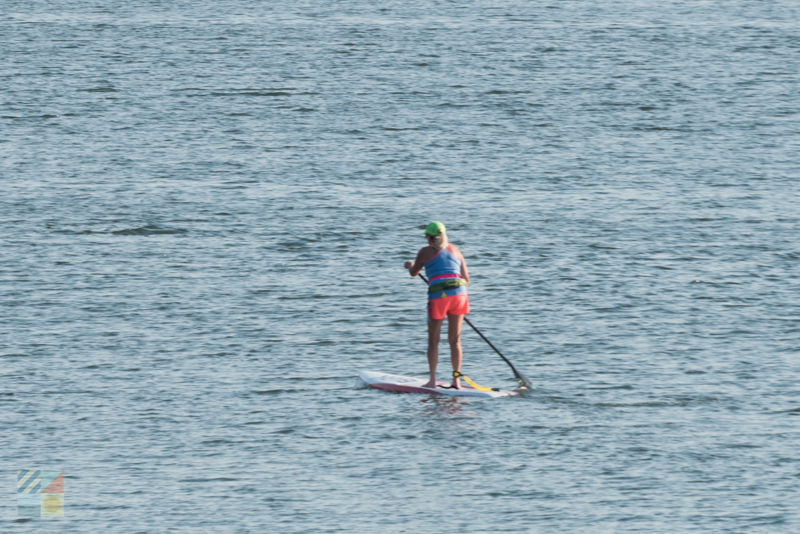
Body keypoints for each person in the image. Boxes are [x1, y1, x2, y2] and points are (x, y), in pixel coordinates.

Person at [404, 222, 470, 389]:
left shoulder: (425, 251)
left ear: (429, 236)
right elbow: (467, 279)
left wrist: (410, 265)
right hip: (460, 294)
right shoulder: (455, 249)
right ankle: (456, 380)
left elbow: (414, 273)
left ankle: (432, 381)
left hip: (439, 296)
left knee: (433, 341)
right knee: (455, 341)